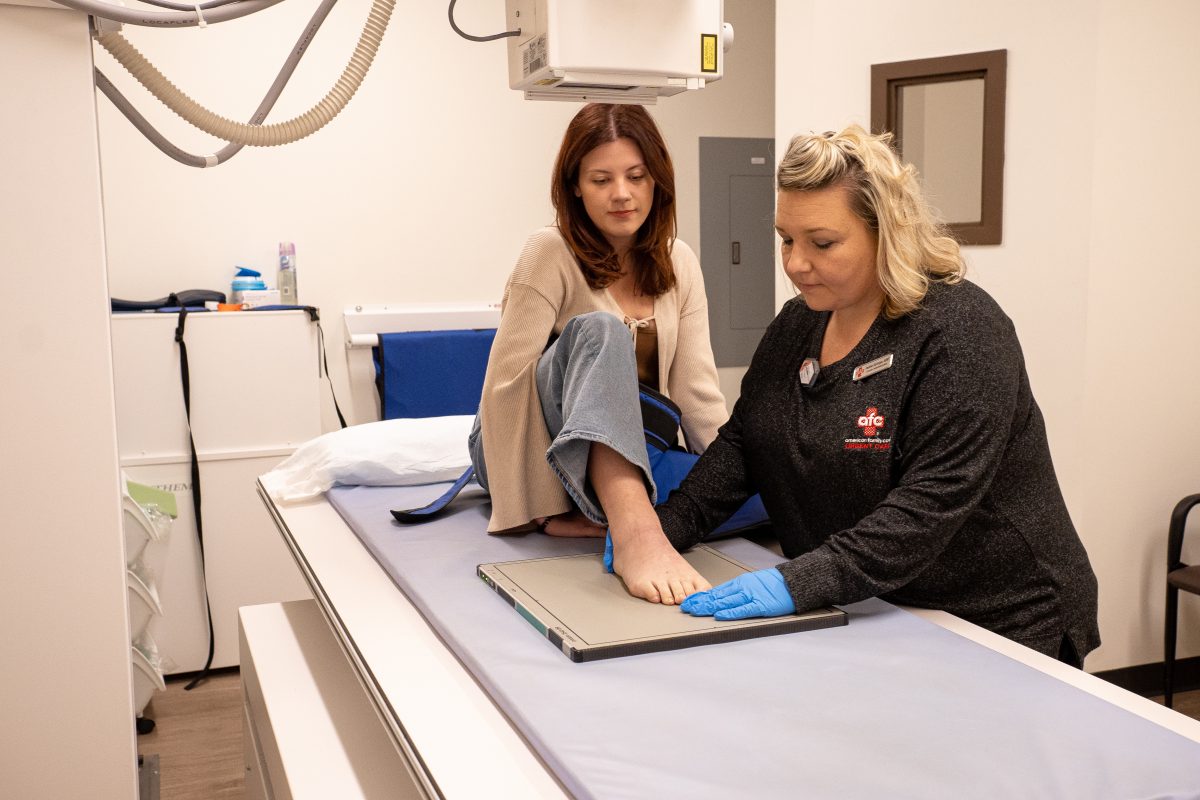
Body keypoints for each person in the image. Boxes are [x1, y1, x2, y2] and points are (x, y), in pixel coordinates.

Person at [662, 124, 1101, 666]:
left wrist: (799, 581)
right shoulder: (798, 322)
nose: (796, 263)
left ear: (887, 232)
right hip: (873, 604)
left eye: (821, 243)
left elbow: (928, 506)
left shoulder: (961, 332)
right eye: (786, 239)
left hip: (997, 619)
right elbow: (744, 444)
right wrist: (666, 527)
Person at [469, 103, 729, 606]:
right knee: (601, 332)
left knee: (765, 486)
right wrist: (541, 511)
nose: (622, 194)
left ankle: (619, 506)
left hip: (633, 450)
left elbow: (696, 392)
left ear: (658, 181)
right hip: (526, 445)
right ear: (574, 187)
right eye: (601, 179)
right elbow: (505, 390)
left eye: (636, 176)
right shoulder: (548, 250)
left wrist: (734, 472)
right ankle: (635, 530)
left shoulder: (680, 260)